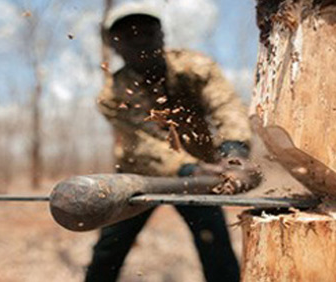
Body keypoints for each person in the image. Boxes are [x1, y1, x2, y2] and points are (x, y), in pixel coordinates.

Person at [85, 4, 252, 282]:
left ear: (162, 35)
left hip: (202, 177)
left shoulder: (195, 68)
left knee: (216, 247)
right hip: (138, 178)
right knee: (109, 250)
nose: (139, 40)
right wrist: (190, 169)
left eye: (147, 32)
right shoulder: (112, 95)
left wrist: (234, 151)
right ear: (114, 45)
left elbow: (226, 106)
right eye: (128, 36)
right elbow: (142, 144)